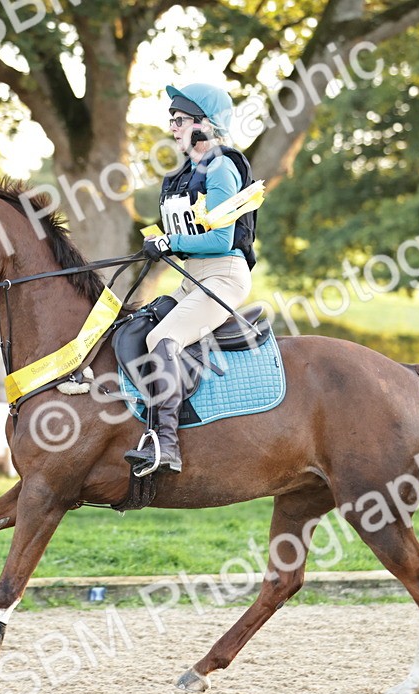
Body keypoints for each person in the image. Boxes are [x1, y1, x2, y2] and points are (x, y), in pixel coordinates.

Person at [124, 82, 259, 476]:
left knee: (161, 339)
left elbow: (222, 238)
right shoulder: (186, 173)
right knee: (137, 327)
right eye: (172, 120)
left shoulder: (220, 168)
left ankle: (166, 446)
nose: (173, 128)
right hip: (193, 278)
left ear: (205, 124)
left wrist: (170, 241)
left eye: (179, 120)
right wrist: (158, 242)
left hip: (224, 275)